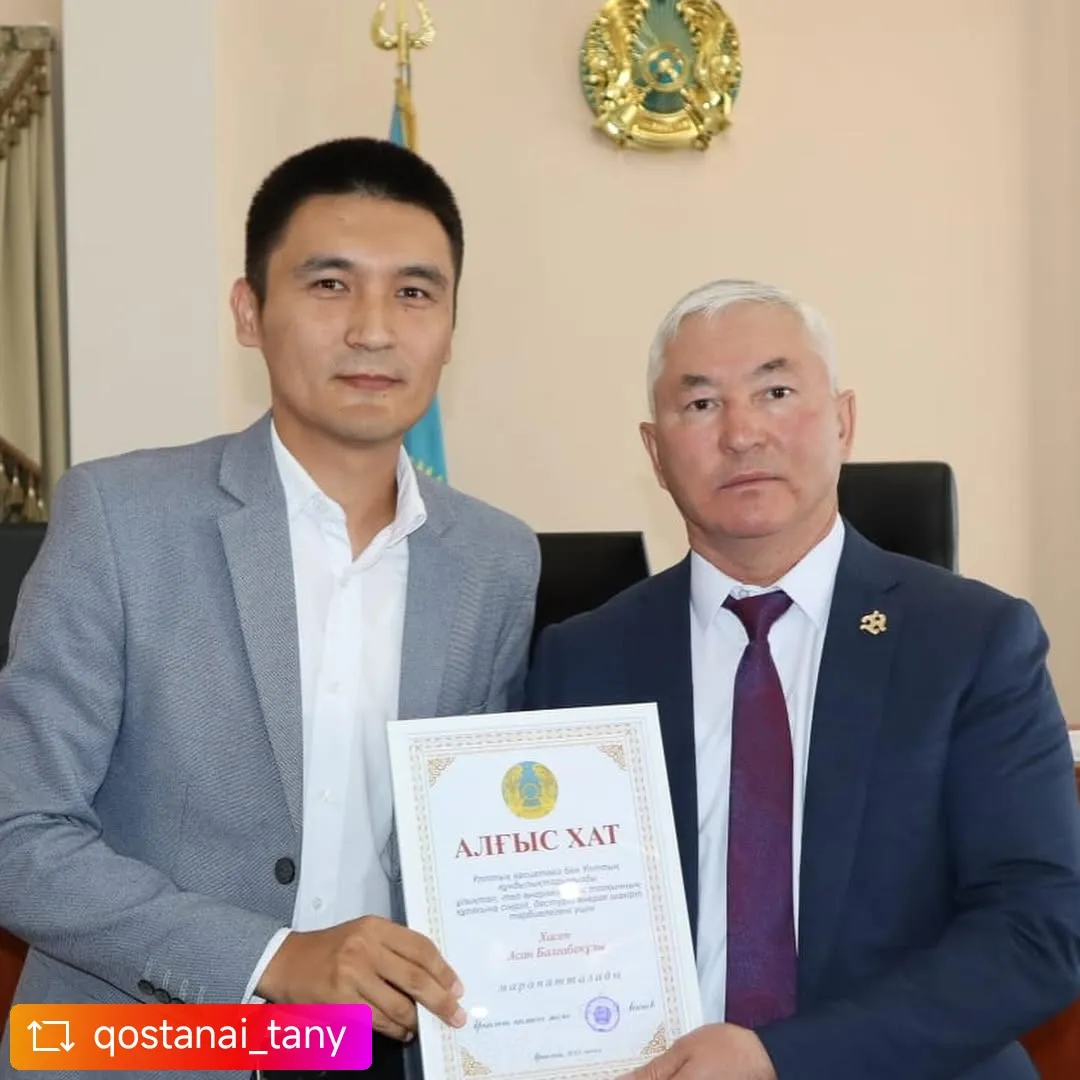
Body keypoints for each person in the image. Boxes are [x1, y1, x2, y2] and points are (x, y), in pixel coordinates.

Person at [0, 137, 539, 1080]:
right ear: (250, 311)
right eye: (330, 285)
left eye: (415, 292)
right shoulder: (122, 519)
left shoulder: (496, 559)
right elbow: (18, 830)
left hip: (376, 1053)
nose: (374, 329)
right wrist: (269, 959)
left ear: (452, 325)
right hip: (147, 1048)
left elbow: (476, 844)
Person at [524, 279, 1080, 1080]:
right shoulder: (581, 659)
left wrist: (778, 1059)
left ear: (844, 421)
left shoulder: (973, 643)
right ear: (654, 451)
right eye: (702, 405)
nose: (742, 433)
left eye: (776, 392)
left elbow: (1038, 932)